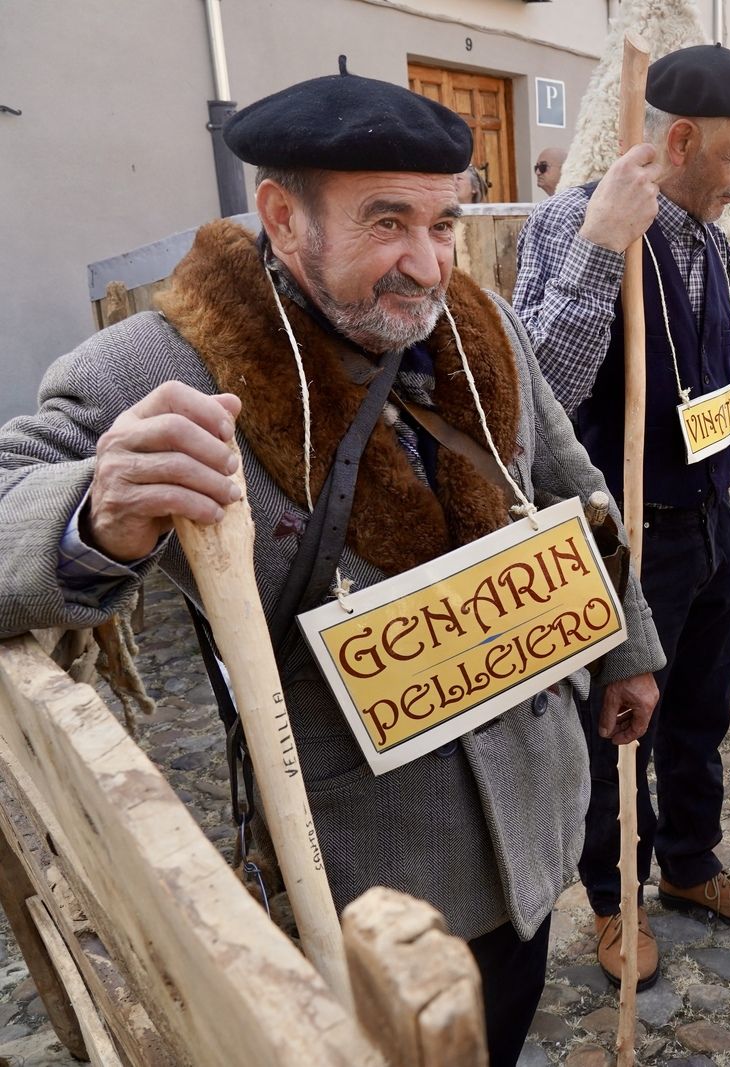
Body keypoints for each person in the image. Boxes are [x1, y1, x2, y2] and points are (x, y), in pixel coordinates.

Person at [0, 61, 666, 1067]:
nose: (428, 264)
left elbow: (568, 481)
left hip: (535, 814)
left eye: (442, 225)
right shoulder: (158, 366)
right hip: (361, 867)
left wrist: (625, 648)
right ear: (280, 214)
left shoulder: (480, 327)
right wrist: (98, 511)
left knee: (506, 1017)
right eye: (385, 222)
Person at [511, 43, 730, 993]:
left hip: (709, 521)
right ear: (678, 139)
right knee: (611, 727)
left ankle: (691, 863)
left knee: (701, 712)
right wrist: (598, 248)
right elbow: (532, 393)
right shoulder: (570, 224)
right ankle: (611, 895)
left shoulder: (713, 237)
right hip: (625, 537)